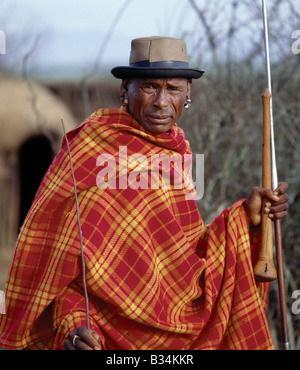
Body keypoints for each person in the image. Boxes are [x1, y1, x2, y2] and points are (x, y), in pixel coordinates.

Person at [0, 36, 289, 350]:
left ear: (188, 93)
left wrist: (247, 216)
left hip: (180, 331)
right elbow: (62, 267)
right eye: (149, 86)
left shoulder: (179, 152)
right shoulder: (91, 150)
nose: (161, 102)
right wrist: (74, 325)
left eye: (173, 89)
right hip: (102, 336)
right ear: (125, 88)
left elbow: (187, 252)